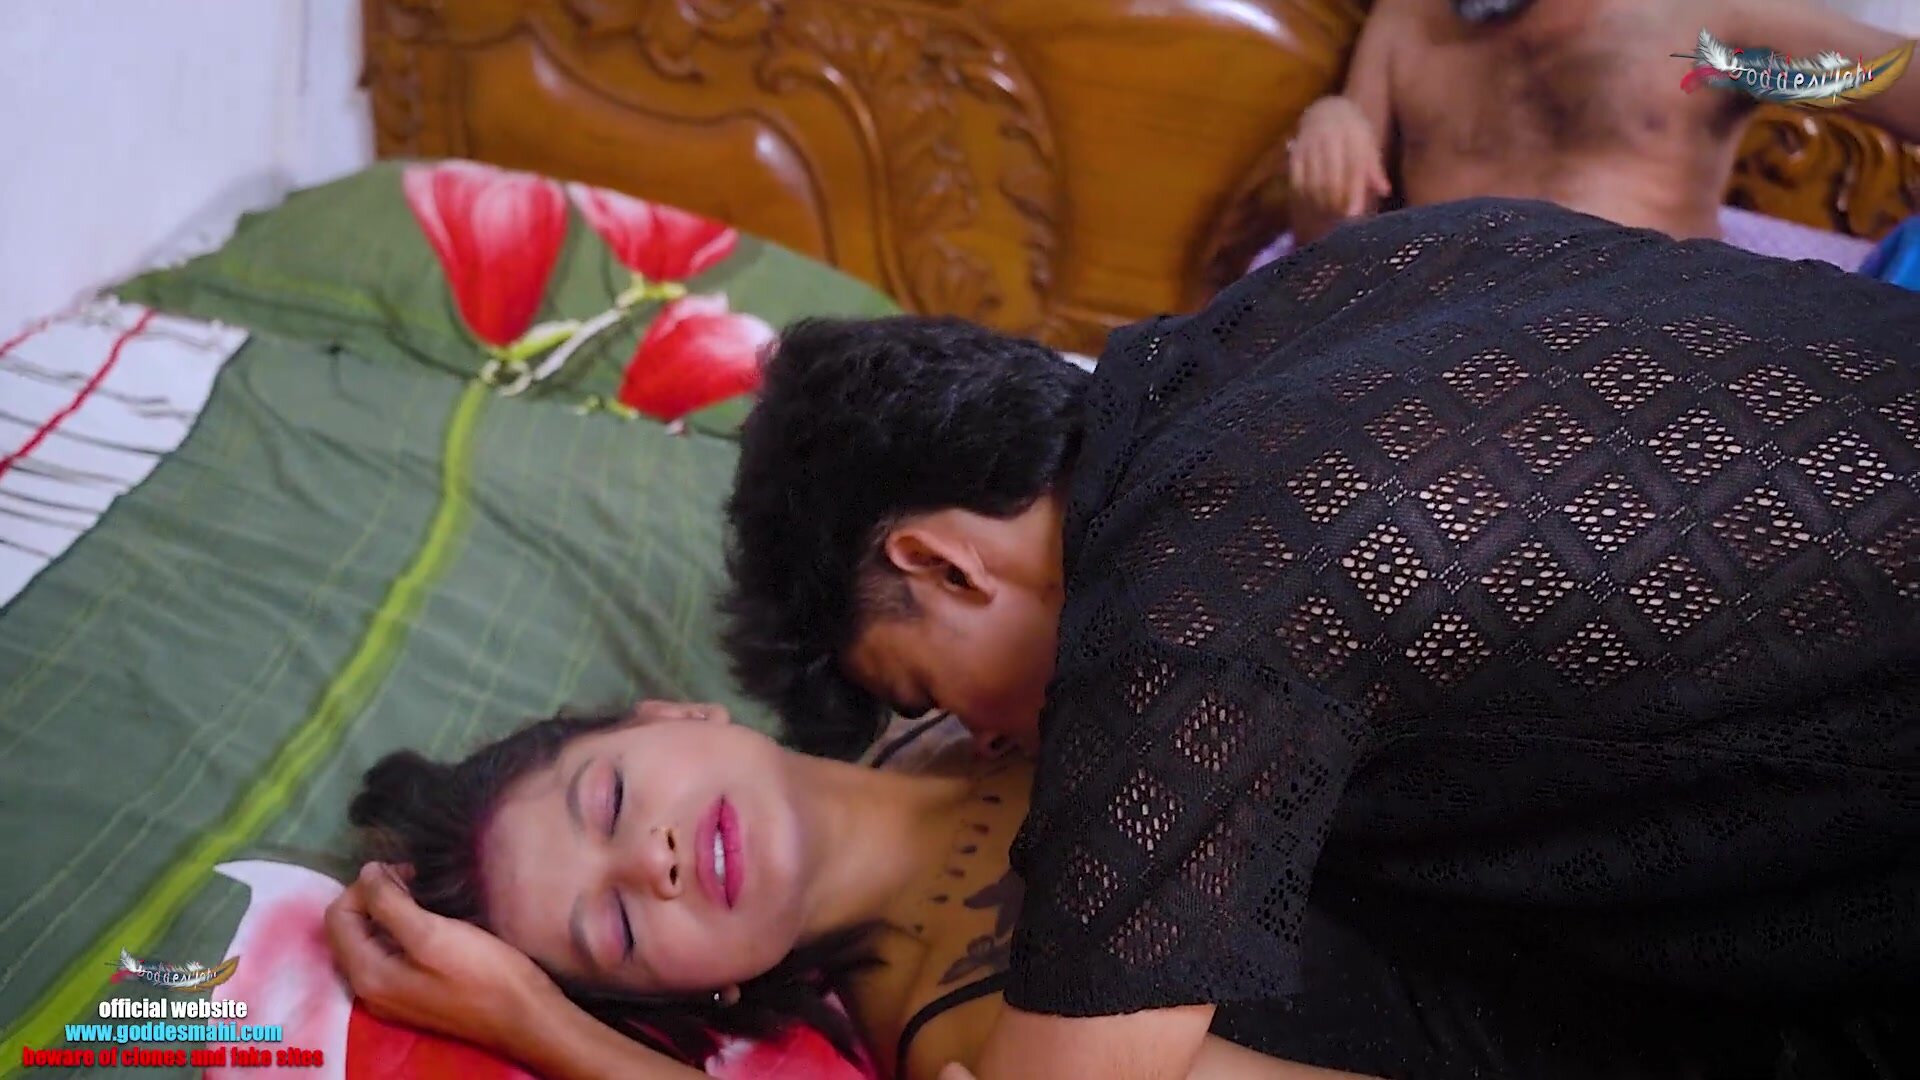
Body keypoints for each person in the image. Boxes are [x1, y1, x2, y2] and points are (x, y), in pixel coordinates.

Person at [716, 197, 1920, 1079]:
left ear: (939, 561)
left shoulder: (1186, 593)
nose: (984, 741)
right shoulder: (1348, 275)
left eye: (932, 694)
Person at [323, 701, 1375, 1079]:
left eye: (611, 799)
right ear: (706, 994)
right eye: (620, 926)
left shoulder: (963, 684)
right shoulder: (975, 1041)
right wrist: (534, 1021)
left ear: (675, 714)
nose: (653, 861)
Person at [1286, 0, 1920, 246]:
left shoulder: (1709, 21)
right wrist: (1327, 128)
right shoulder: (1406, 21)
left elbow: (1893, 79)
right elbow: (1328, 247)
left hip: (1639, 367)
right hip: (1435, 353)